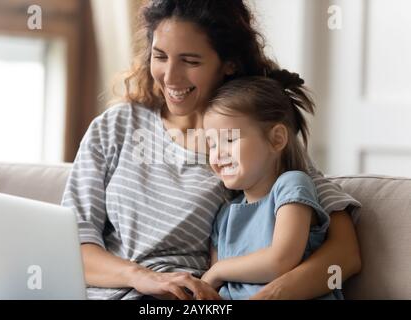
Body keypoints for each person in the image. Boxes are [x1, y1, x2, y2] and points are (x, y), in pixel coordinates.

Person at [61, 0, 361, 300]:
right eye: (160, 56)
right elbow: (70, 244)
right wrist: (141, 277)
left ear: (228, 62)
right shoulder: (115, 126)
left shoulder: (250, 140)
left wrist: (270, 295)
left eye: (190, 61)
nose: (170, 77)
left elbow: (345, 253)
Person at [201, 71, 343, 300]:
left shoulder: (291, 186)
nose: (219, 154)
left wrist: (217, 271)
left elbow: (281, 260)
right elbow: (219, 291)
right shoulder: (224, 215)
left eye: (229, 139)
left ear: (276, 139)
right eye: (212, 144)